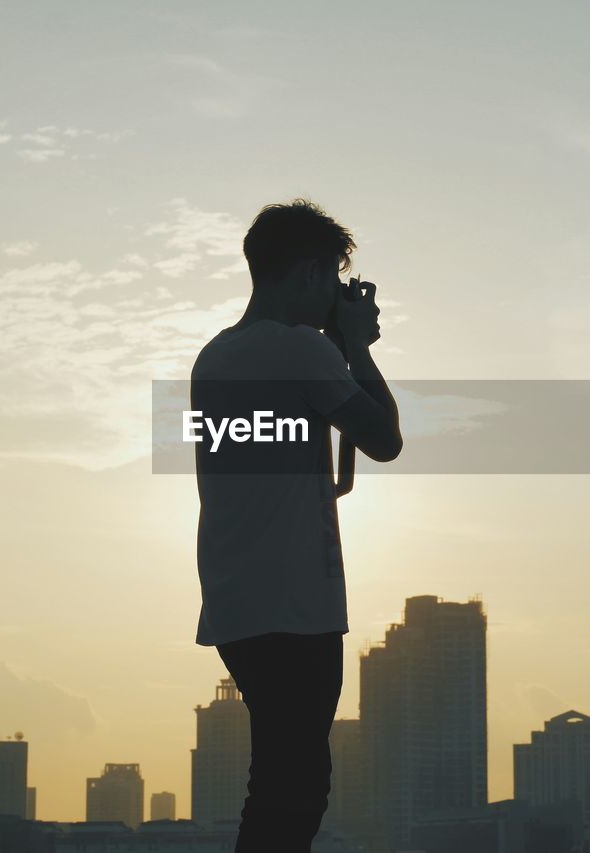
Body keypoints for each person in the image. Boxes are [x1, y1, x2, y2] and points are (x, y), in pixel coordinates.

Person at [189, 198, 402, 851]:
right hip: (295, 607)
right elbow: (384, 438)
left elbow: (328, 474)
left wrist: (335, 346)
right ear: (309, 273)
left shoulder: (214, 359)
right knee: (295, 785)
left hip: (237, 603)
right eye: (334, 279)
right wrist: (357, 349)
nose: (337, 293)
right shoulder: (300, 353)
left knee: (283, 778)